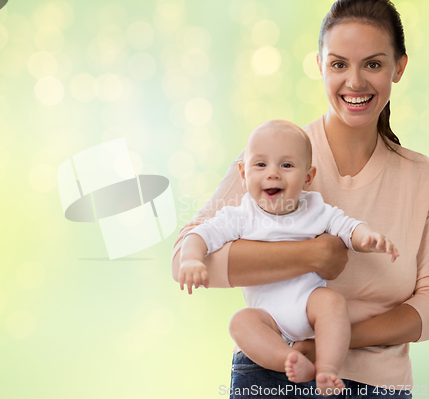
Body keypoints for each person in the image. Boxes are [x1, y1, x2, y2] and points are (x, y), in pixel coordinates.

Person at [171, 0, 429, 397]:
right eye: (339, 64)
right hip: (270, 373)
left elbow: (427, 306)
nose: (355, 82)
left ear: (399, 67)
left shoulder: (421, 178)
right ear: (321, 65)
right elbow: (188, 257)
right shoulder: (272, 158)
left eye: (373, 64)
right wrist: (309, 256)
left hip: (379, 385)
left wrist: (329, 344)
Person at [179, 119, 399, 395]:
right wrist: (191, 259)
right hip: (268, 318)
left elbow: (347, 226)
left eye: (286, 165)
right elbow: (199, 235)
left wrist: (368, 237)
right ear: (243, 174)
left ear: (308, 176)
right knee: (240, 322)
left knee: (332, 303)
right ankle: (288, 360)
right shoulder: (240, 216)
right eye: (260, 165)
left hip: (309, 305)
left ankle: (327, 369)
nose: (273, 174)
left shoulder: (314, 207)